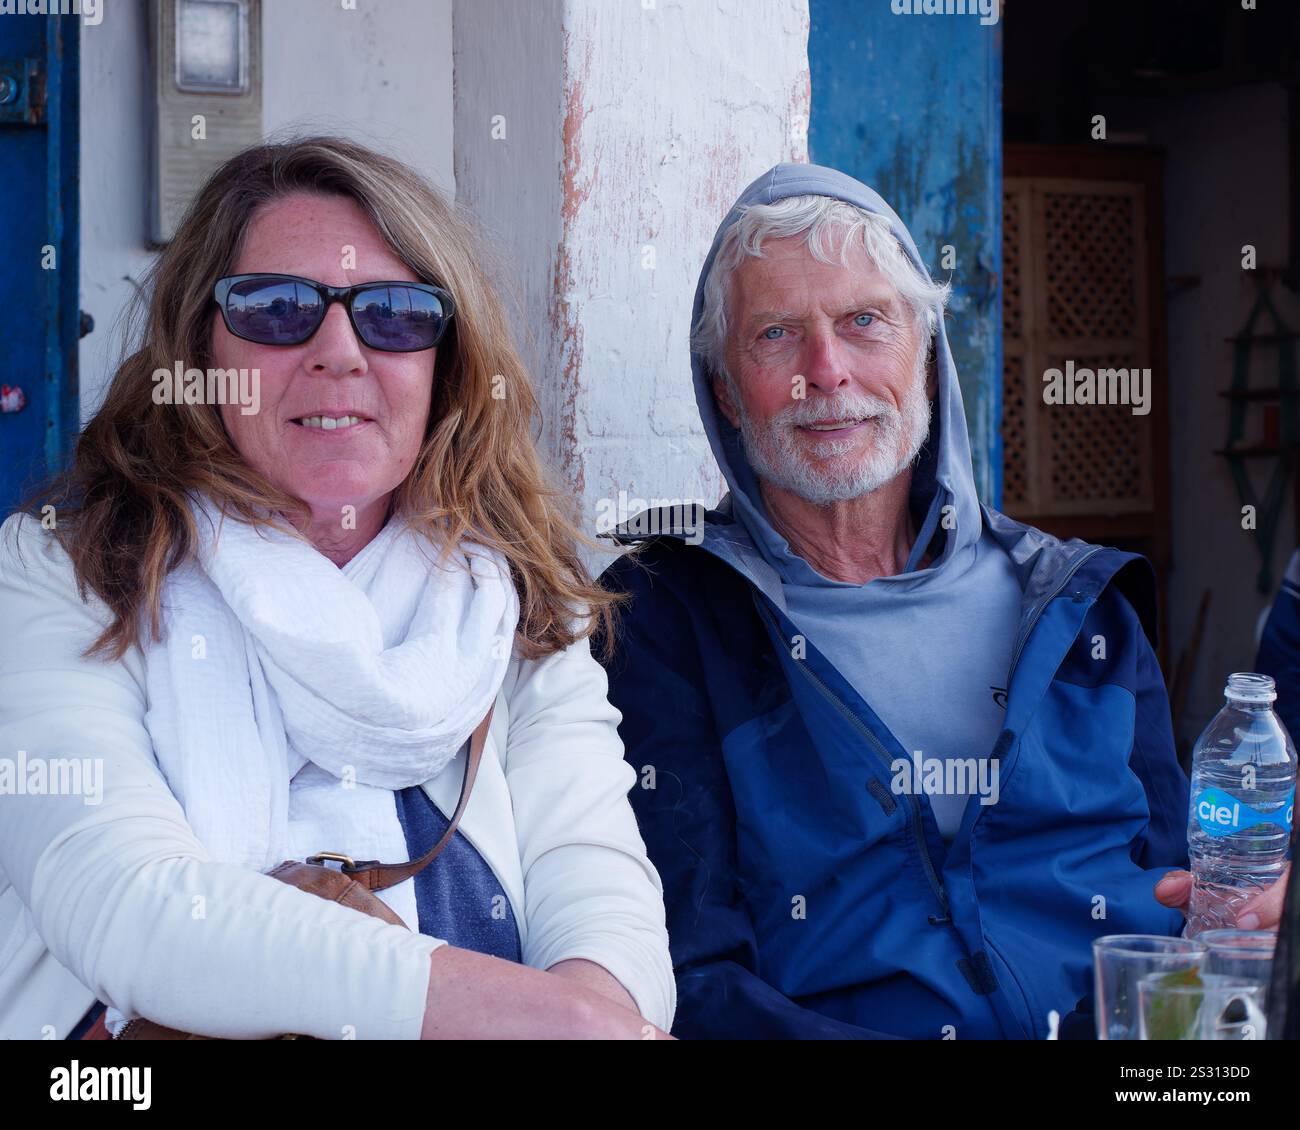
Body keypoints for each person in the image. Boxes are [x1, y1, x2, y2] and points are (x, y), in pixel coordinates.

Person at [0, 137, 674, 1041]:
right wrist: (555, 1025)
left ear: (448, 362)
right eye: (277, 309)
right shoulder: (66, 572)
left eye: (395, 314)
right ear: (199, 345)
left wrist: (598, 1013)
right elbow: (125, 903)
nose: (338, 351)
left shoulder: (510, 598)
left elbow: (599, 891)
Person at [597, 161, 1283, 1040]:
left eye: (864, 321)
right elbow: (692, 976)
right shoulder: (667, 624)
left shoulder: (1081, 607)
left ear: (925, 356)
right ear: (726, 391)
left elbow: (1186, 906)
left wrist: (1255, 925)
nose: (827, 371)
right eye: (775, 334)